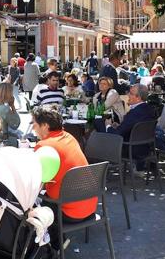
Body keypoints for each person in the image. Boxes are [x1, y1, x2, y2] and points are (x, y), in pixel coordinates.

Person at [32, 106, 96, 254]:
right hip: (90, 205)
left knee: (34, 204)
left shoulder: (44, 146)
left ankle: (53, 248)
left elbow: (36, 180)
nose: (33, 128)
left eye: (34, 123)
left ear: (45, 126)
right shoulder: (68, 137)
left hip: (69, 213)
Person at [103, 84, 157, 165]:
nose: (128, 95)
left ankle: (97, 168)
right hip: (146, 148)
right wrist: (118, 126)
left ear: (138, 98)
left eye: (131, 93)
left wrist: (108, 126)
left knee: (99, 127)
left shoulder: (135, 113)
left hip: (130, 149)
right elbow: (133, 128)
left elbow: (117, 134)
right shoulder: (149, 110)